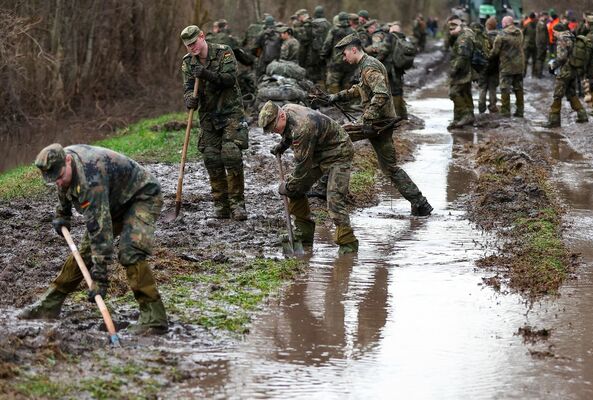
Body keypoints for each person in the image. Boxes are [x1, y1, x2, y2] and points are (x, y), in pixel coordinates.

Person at [21, 144, 168, 335]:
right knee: (84, 253)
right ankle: (50, 303)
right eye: (53, 179)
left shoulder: (91, 179)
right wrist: (62, 213)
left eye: (59, 176)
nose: (57, 182)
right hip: (113, 199)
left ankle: (154, 319)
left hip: (141, 197)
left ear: (67, 160)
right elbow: (64, 186)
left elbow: (100, 232)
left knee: (131, 251)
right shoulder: (64, 165)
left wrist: (100, 279)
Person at [328, 34, 433, 216]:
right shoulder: (368, 64)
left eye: (345, 54)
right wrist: (337, 96)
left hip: (377, 123)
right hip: (380, 122)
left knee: (334, 141)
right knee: (390, 168)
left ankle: (325, 191)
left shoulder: (369, 68)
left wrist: (367, 118)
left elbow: (381, 94)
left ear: (354, 50)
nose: (344, 58)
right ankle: (420, 203)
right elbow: (361, 89)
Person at [258, 102, 359, 254]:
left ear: (281, 116)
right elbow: (288, 132)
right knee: (296, 190)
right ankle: (304, 235)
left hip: (339, 152)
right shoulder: (286, 112)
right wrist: (282, 145)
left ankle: (348, 245)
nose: (273, 132)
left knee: (334, 199)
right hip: (318, 152)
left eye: (274, 128)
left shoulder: (303, 128)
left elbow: (302, 167)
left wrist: (288, 186)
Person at [180, 25, 249, 220]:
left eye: (194, 43)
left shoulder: (224, 51)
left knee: (231, 154)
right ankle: (221, 205)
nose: (192, 48)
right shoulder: (188, 63)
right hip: (208, 116)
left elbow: (229, 79)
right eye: (188, 46)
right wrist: (188, 99)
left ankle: (238, 204)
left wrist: (206, 74)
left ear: (202, 37)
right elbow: (187, 87)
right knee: (211, 158)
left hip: (230, 113)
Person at [544, 22, 589, 128]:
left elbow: (562, 57)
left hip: (565, 70)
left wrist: (553, 65)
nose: (553, 35)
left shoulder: (562, 39)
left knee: (557, 95)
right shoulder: (571, 37)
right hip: (573, 69)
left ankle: (553, 120)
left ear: (558, 31)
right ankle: (582, 114)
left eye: (554, 32)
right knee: (571, 93)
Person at [491, 16, 525, 117]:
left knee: (505, 88)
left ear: (506, 23)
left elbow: (495, 51)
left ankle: (505, 111)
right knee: (518, 88)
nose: (501, 24)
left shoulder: (501, 34)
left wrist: (487, 56)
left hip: (507, 65)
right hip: (519, 65)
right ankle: (520, 111)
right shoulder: (519, 32)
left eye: (502, 22)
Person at [447, 16, 477, 129]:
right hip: (465, 70)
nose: (450, 31)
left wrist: (454, 69)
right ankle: (459, 118)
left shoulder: (463, 38)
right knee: (465, 93)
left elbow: (463, 57)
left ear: (458, 26)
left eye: (451, 29)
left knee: (454, 93)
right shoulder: (462, 35)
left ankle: (466, 114)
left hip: (463, 71)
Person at [322, 12, 356, 93]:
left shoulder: (334, 31)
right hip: (350, 64)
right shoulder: (353, 31)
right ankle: (346, 105)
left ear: (339, 20)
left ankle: (336, 104)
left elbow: (327, 45)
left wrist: (323, 56)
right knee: (347, 88)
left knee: (333, 86)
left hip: (335, 64)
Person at [477, 17, 499, 114]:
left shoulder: (482, 37)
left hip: (483, 65)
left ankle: (481, 107)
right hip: (495, 65)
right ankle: (493, 106)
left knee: (482, 87)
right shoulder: (499, 36)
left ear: (488, 26)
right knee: (492, 87)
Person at [308, 6, 332, 86]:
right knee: (324, 69)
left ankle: (313, 87)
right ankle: (325, 86)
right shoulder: (328, 24)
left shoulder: (311, 23)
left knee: (313, 69)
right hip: (325, 50)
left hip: (314, 51)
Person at [534, 12, 549, 78]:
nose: (547, 17)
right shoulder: (541, 23)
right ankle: (538, 73)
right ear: (543, 16)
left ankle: (539, 73)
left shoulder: (541, 23)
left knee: (541, 59)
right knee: (540, 59)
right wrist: (545, 43)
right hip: (541, 44)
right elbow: (543, 36)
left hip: (541, 44)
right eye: (546, 16)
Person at [523, 12, 537, 78]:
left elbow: (523, 34)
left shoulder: (526, 24)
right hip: (531, 45)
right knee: (531, 60)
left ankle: (525, 73)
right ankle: (531, 73)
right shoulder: (536, 24)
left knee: (527, 60)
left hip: (529, 44)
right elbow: (523, 33)